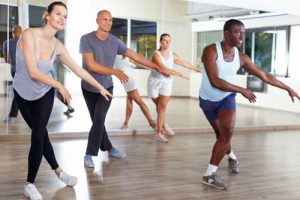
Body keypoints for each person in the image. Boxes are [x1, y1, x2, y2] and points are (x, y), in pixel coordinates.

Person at [12, 2, 112, 199]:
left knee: (38, 134)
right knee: (41, 135)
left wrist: (100, 87)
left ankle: (29, 184)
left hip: (44, 92)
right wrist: (59, 84)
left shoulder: (58, 46)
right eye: (58, 13)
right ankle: (59, 171)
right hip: (22, 91)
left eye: (65, 16)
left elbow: (79, 69)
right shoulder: (29, 35)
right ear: (47, 15)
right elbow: (32, 72)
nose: (62, 18)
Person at [199, 19, 300, 190]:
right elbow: (215, 81)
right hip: (207, 100)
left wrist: (287, 88)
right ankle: (231, 156)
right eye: (237, 32)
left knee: (227, 132)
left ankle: (209, 174)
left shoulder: (242, 57)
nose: (241, 36)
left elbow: (265, 76)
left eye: (243, 32)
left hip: (226, 98)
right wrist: (242, 90)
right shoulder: (210, 51)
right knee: (221, 136)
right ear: (226, 33)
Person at [80, 10, 172, 168]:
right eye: (105, 19)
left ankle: (89, 154)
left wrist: (157, 66)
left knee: (99, 119)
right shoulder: (87, 39)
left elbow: (135, 55)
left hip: (106, 87)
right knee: (97, 121)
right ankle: (108, 147)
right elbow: (91, 65)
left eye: (110, 19)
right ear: (97, 21)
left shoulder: (114, 41)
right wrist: (115, 71)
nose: (108, 22)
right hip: (89, 87)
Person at [149, 33, 201, 143]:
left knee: (162, 107)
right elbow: (163, 69)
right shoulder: (156, 55)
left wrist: (198, 69)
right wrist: (179, 74)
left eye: (169, 41)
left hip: (166, 83)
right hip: (154, 82)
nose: (167, 43)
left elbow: (185, 64)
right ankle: (164, 124)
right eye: (165, 41)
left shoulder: (173, 55)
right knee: (158, 106)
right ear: (160, 42)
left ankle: (158, 133)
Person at [114, 55, 156, 130]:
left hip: (127, 78)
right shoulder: (123, 54)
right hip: (132, 77)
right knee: (129, 99)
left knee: (138, 100)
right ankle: (126, 123)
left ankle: (151, 122)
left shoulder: (114, 55)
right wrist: (149, 67)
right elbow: (136, 62)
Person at [2, 25, 22, 123]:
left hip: (15, 71)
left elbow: (7, 59)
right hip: (27, 70)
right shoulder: (25, 42)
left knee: (19, 92)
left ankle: (12, 116)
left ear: (12, 33)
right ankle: (12, 115)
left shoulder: (7, 43)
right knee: (20, 92)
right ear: (21, 32)